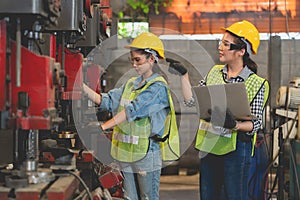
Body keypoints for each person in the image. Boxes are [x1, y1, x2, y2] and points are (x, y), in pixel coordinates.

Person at [168, 20, 269, 200]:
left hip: (237, 150)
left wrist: (235, 125)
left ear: (241, 51)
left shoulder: (257, 83)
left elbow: (256, 124)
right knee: (208, 196)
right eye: (220, 42)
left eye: (225, 44)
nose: (220, 47)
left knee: (234, 197)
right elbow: (192, 101)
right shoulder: (214, 73)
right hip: (209, 146)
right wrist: (184, 76)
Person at [83, 32, 180, 200]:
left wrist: (103, 126)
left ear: (152, 59)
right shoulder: (131, 84)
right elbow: (107, 101)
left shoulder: (158, 87)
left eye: (138, 60)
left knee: (147, 197)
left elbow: (133, 111)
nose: (134, 65)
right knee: (130, 198)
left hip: (147, 153)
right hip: (126, 153)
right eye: (132, 60)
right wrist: (80, 87)